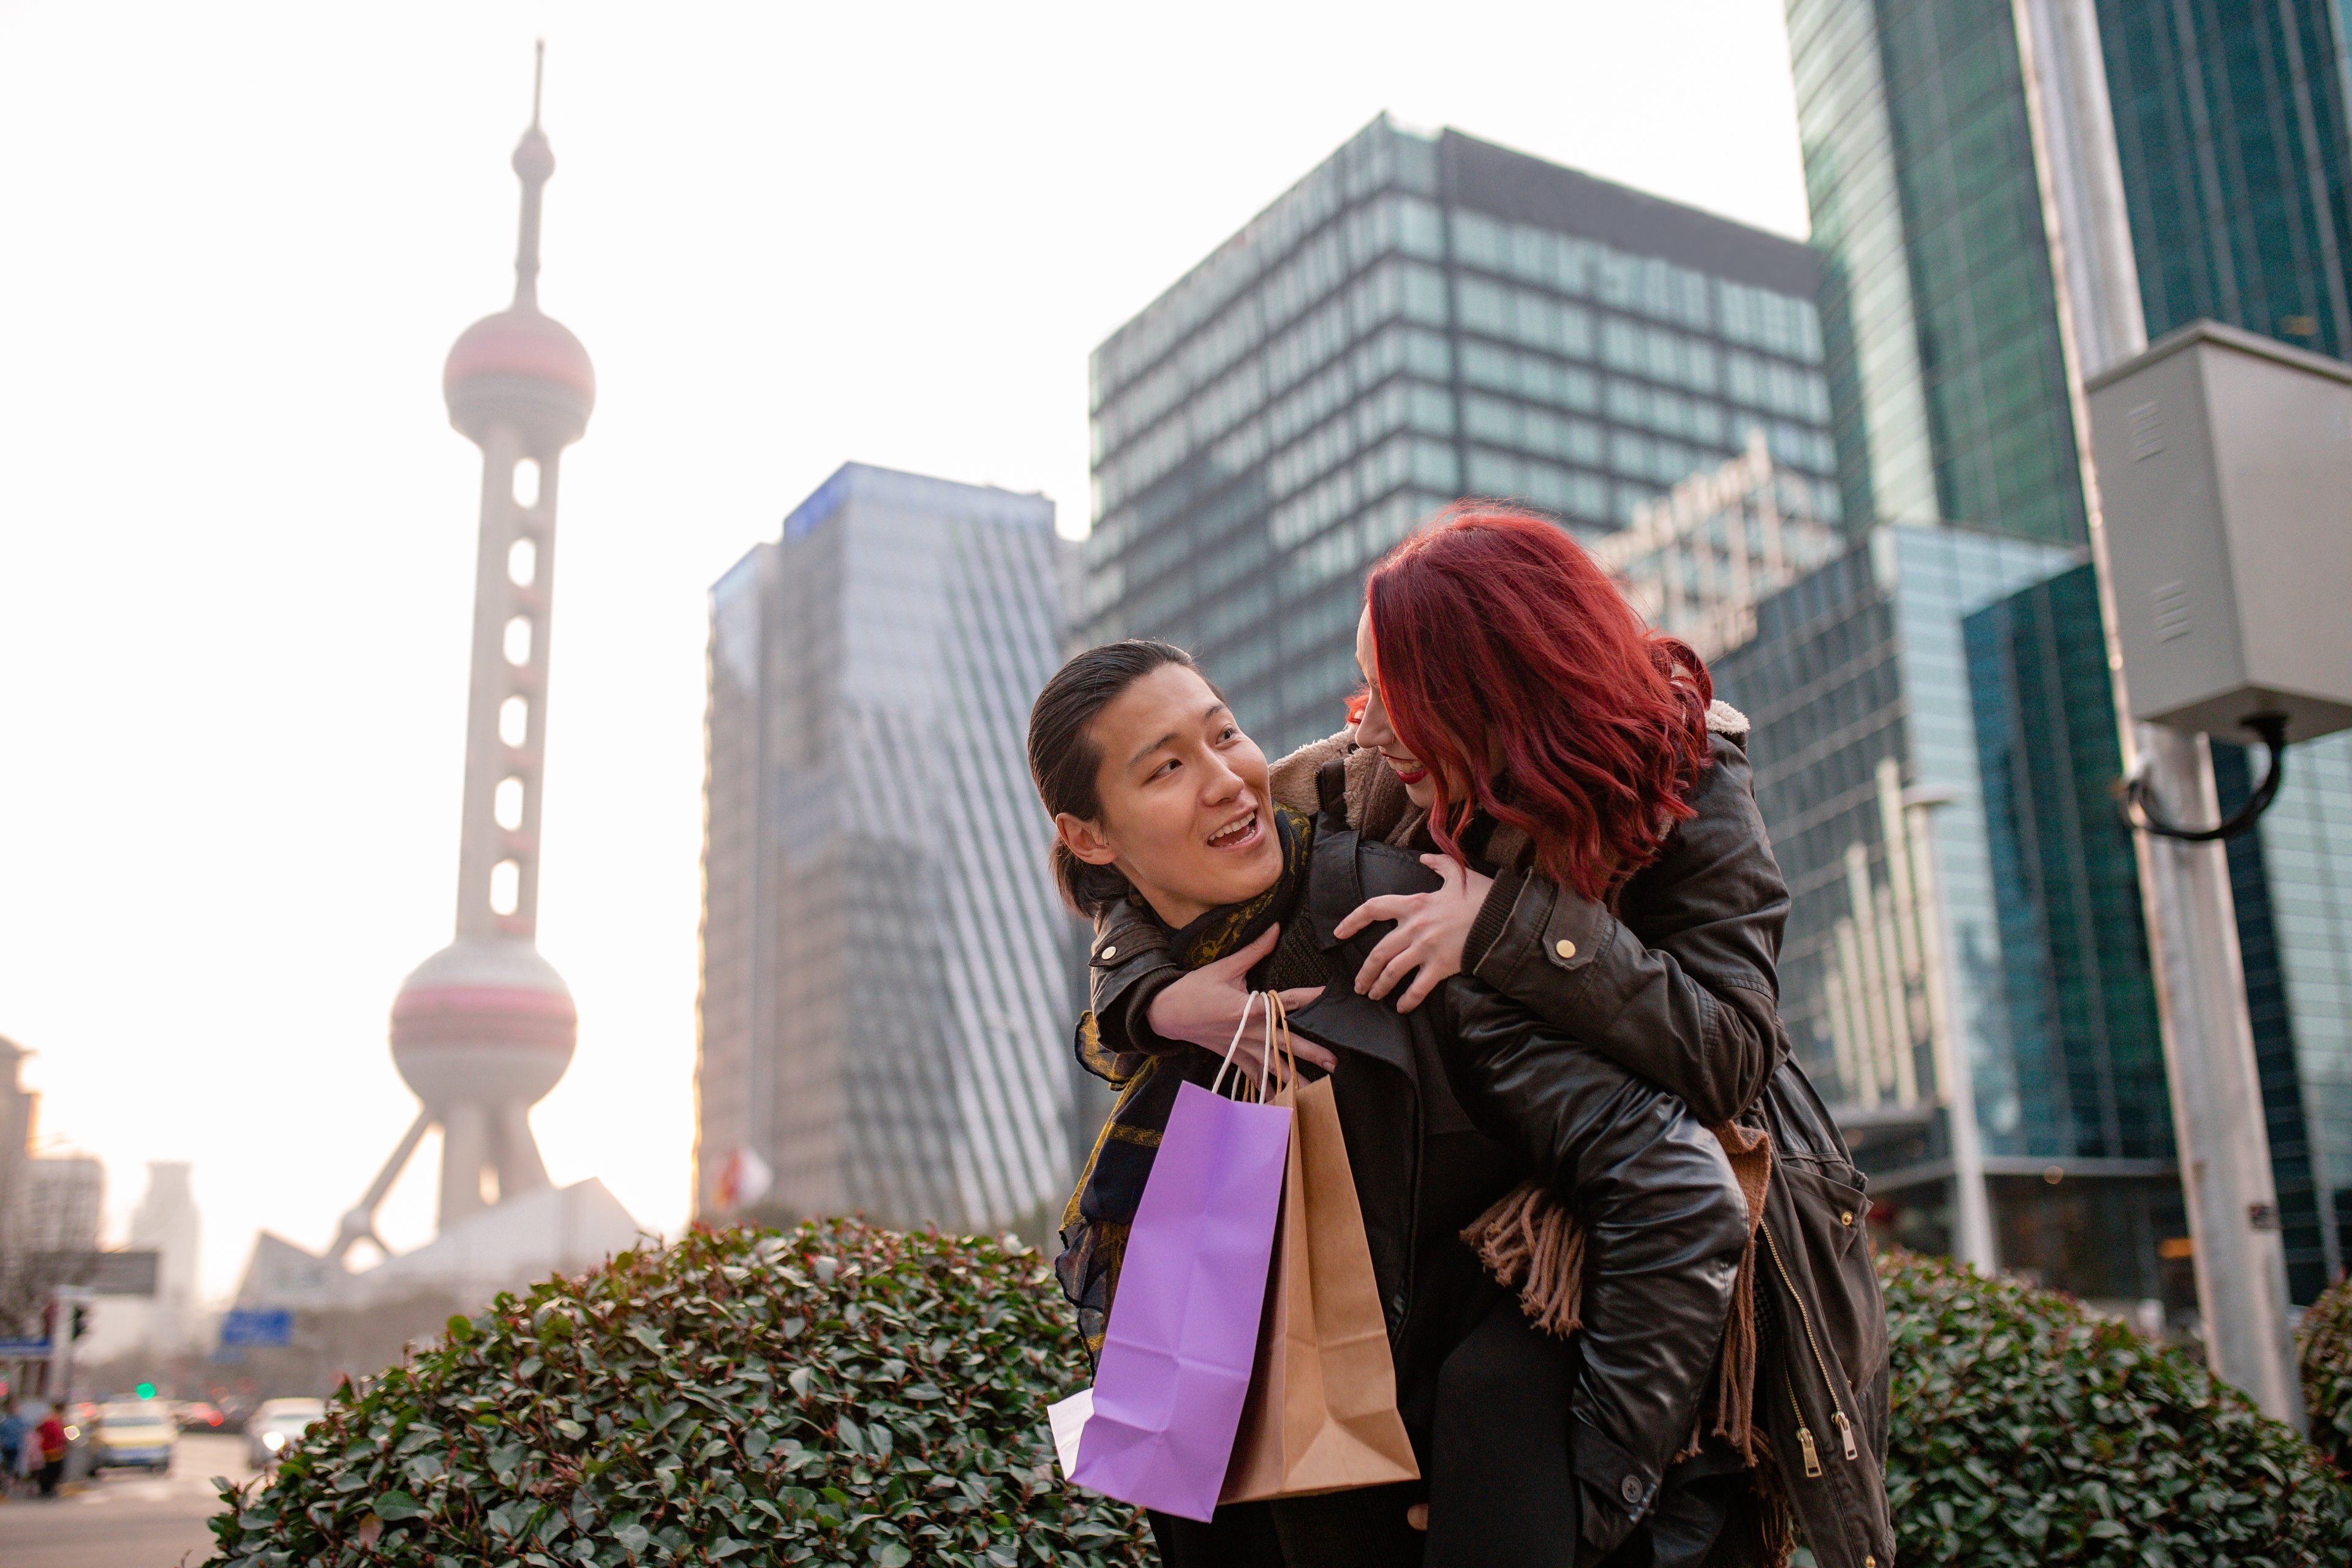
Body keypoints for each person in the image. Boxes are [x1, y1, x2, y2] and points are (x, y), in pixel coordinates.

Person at [1118, 504, 1895, 1568]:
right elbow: (1192, 847)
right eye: (1369, 692)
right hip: (1486, 1209)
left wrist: (1507, 926)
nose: (1371, 729)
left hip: (1682, 1203)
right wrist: (1153, 1001)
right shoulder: (1383, 771)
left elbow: (1730, 1054)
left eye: (1401, 699)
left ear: (1500, 699)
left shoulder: (1689, 780)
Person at [1030, 641, 1752, 1567]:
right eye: (1167, 767)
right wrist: (1152, 999)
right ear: (1090, 836)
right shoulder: (1168, 1018)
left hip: (1457, 1480)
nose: (1225, 781)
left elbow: (1675, 1189)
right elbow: (1180, 1455)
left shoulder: (1398, 919)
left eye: (1225, 734)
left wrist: (1580, 1501)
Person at [35, 1401, 68, 1498]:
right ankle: (46, 1488)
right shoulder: (52, 1420)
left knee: (53, 1471)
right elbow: (57, 1435)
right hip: (52, 1450)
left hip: (55, 1450)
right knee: (52, 1471)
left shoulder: (56, 1420)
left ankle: (49, 1488)